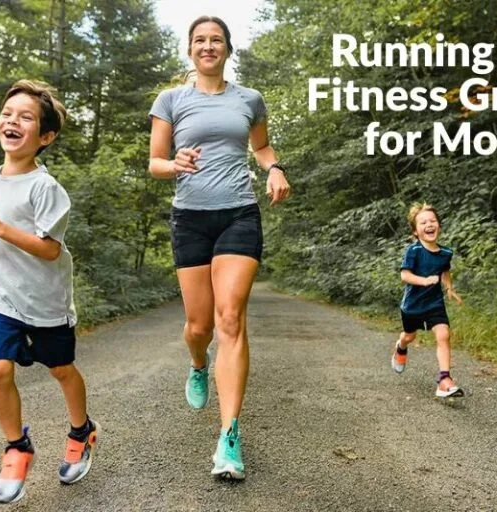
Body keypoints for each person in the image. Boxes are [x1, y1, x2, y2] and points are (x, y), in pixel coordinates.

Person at [148, 15, 290, 480]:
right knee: (199, 326)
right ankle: (197, 362)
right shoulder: (171, 100)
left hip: (238, 214)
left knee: (230, 319)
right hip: (190, 219)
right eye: (200, 40)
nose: (208, 46)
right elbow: (155, 162)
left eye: (216, 40)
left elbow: (262, 148)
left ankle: (229, 436)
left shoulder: (249, 99)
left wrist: (274, 169)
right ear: (190, 50)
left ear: (228, 48)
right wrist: (175, 164)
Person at [0, 80, 99, 504]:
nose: (12, 121)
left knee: (61, 369)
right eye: (8, 114)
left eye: (26, 118)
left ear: (45, 137)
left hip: (45, 299)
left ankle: (82, 430)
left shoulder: (46, 188)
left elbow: (49, 249)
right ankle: (16, 447)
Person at [391, 203, 464, 398]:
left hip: (434, 304)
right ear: (416, 231)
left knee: (443, 335)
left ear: (439, 225)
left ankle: (444, 380)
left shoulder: (445, 253)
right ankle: (401, 347)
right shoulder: (413, 251)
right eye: (423, 222)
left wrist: (449, 288)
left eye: (433, 221)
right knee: (409, 336)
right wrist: (424, 281)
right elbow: (405, 275)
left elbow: (445, 272)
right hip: (412, 305)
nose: (429, 224)